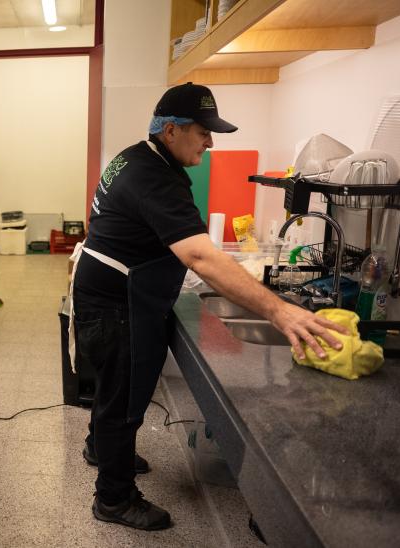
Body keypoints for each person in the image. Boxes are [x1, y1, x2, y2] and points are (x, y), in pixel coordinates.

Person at [71, 83, 346, 530]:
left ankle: (101, 448)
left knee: (117, 390)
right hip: (118, 303)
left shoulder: (136, 156)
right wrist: (280, 310)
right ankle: (113, 498)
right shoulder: (154, 176)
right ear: (172, 130)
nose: (211, 142)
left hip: (112, 294)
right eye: (203, 131)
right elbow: (199, 255)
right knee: (122, 398)